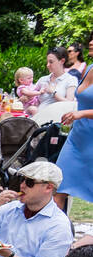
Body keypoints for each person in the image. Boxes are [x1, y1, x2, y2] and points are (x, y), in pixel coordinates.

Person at [57, 35, 93, 210]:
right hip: (77, 138)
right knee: (58, 187)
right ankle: (56, 235)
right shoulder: (89, 68)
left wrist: (81, 114)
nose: (91, 43)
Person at [31, 48, 77, 114]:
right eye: (47, 62)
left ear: (62, 61)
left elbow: (70, 104)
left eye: (51, 62)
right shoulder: (43, 79)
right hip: (38, 118)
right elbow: (32, 96)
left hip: (57, 120)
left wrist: (53, 93)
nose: (47, 65)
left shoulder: (71, 80)